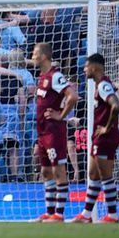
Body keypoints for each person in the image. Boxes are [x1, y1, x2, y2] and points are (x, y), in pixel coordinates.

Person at [72, 54, 119, 223]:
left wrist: (107, 127)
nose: (84, 69)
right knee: (93, 174)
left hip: (105, 138)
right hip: (99, 137)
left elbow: (116, 105)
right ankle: (86, 215)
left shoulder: (103, 85)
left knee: (105, 175)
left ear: (95, 67)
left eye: (86, 66)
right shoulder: (99, 86)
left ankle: (113, 215)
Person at [31, 42, 77, 222]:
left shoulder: (55, 76)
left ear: (43, 56)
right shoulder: (42, 76)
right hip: (42, 131)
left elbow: (73, 96)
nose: (32, 56)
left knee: (59, 171)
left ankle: (59, 214)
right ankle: (49, 212)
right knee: (46, 171)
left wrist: (61, 115)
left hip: (54, 131)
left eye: (35, 53)